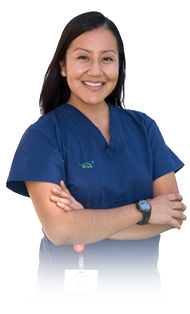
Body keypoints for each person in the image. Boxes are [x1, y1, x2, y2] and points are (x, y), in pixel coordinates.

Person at [6, 11, 186, 298]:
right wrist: (144, 211)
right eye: (83, 57)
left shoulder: (144, 128)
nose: (95, 70)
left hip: (143, 298)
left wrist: (86, 222)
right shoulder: (43, 135)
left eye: (107, 58)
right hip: (66, 302)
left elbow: (172, 215)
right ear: (63, 66)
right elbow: (61, 231)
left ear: (119, 66)